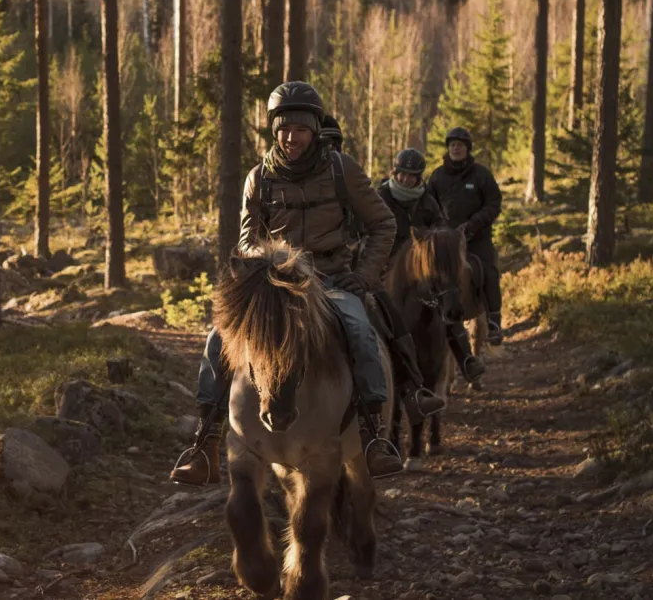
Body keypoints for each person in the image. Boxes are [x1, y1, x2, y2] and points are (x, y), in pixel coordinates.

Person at [169, 82, 444, 486]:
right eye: (282, 128)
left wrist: (365, 275)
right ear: (273, 131)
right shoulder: (257, 177)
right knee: (218, 338)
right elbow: (247, 236)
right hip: (274, 286)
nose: (290, 137)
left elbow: (383, 223)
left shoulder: (341, 169)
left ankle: (373, 435)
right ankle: (205, 443)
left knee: (360, 330)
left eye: (299, 129)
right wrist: (263, 265)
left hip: (331, 278)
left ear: (315, 130)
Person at [378, 148, 488, 383]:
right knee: (369, 305)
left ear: (420, 178)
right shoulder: (380, 197)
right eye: (402, 175)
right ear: (394, 174)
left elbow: (441, 231)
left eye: (412, 176)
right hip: (385, 264)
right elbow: (368, 228)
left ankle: (465, 357)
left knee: (447, 297)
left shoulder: (427, 201)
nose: (406, 180)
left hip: (422, 270)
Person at [427, 127, 504, 345]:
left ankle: (494, 323)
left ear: (467, 148)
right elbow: (427, 205)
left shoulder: (481, 174)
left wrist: (474, 224)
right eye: (452, 144)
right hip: (445, 241)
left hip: (475, 239)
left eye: (460, 145)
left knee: (488, 272)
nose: (456, 148)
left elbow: (494, 203)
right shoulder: (437, 176)